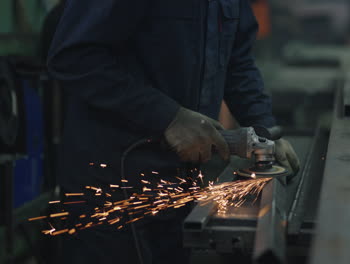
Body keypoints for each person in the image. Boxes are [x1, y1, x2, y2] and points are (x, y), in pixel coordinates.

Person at [47, 1, 300, 263]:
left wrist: (264, 133)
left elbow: (237, 62)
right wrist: (168, 117)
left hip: (179, 183)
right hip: (113, 186)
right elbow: (73, 57)